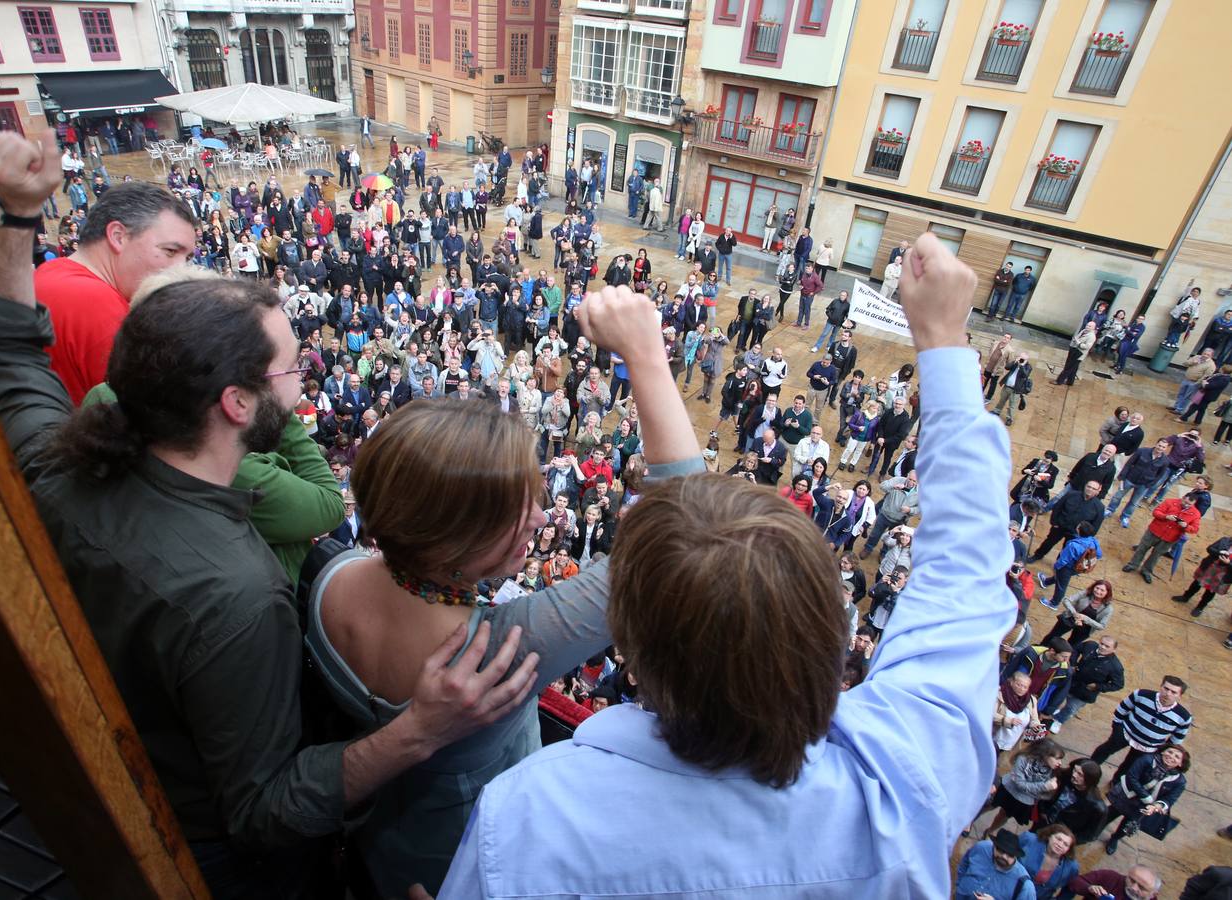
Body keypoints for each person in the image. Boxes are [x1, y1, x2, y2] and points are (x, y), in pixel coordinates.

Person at [0, 129, 540, 899]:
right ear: (236, 403)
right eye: (291, 366)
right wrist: (418, 731)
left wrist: (19, 213)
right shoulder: (235, 592)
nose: (305, 377)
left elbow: (2, 351)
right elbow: (264, 807)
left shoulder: (58, 459)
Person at [437, 234, 1020, 899]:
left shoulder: (528, 817)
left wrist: (647, 359)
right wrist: (944, 340)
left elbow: (964, 571)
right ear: (826, 635)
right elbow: (967, 572)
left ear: (624, 643)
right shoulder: (899, 790)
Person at [305, 285, 704, 896]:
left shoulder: (332, 575)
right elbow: (688, 531)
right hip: (472, 869)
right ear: (455, 544)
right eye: (518, 517)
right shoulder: (500, 650)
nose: (544, 523)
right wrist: (647, 356)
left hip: (387, 854)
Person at [31, 181, 198, 404]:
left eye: (187, 258)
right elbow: (151, 416)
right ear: (118, 236)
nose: (181, 268)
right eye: (170, 251)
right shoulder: (97, 304)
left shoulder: (49, 274)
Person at [1090, 678, 1192, 781]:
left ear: (1179, 696)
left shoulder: (1183, 716)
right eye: (1166, 689)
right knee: (1103, 751)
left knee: (1129, 767)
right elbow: (1122, 708)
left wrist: (1162, 750)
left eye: (1173, 692)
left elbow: (1177, 739)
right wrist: (1117, 729)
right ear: (1161, 687)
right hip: (1126, 733)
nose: (1168, 693)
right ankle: (1088, 772)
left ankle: (1114, 785)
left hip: (1149, 747)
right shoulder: (1141, 694)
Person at [1099, 743, 1189, 855]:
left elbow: (1170, 799)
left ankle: (1115, 838)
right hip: (1126, 795)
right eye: (1170, 752)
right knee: (1108, 815)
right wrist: (1147, 798)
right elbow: (1132, 776)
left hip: (1143, 808)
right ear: (1163, 752)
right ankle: (1095, 831)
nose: (1171, 756)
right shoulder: (1147, 759)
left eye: (1177, 756)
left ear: (1181, 763)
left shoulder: (1179, 781)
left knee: (1128, 827)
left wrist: (1156, 806)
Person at [1121, 492, 1201, 583]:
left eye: (1189, 504)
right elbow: (1156, 512)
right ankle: (1133, 565)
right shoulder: (1170, 502)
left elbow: (1195, 529)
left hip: (1170, 538)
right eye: (1185, 502)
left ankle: (1146, 571)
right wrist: (1166, 516)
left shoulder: (1195, 514)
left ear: (1194, 504)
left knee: (1156, 555)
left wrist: (1186, 526)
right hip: (1154, 531)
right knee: (1141, 548)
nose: (1186, 505)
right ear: (1182, 498)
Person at [1050, 637, 1124, 731]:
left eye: (1107, 646)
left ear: (1113, 649)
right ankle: (1053, 709)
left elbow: (1118, 684)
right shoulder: (1090, 646)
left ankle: (1059, 720)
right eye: (1101, 643)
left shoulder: (1115, 666)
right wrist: (1072, 664)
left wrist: (1097, 686)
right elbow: (1076, 649)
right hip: (1072, 680)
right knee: (1058, 696)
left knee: (1071, 707)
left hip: (1086, 691)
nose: (1103, 647)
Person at [954, 831, 1037, 900]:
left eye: (1010, 854)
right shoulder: (981, 848)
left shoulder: (1025, 886)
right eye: (1001, 850)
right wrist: (959, 885)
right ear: (994, 846)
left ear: (1016, 856)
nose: (1004, 856)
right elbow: (964, 863)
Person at [1172, 536, 1232, 616]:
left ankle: (1200, 607)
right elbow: (1210, 548)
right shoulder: (1225, 540)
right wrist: (1219, 553)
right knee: (1196, 583)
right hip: (1210, 566)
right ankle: (1186, 597)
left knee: (1210, 591)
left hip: (1223, 574)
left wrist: (1228, 563)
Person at [1018, 825, 1080, 899]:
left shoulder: (1072, 867)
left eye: (1065, 844)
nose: (1060, 845)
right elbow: (1007, 850)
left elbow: (1071, 888)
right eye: (1058, 839)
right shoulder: (1029, 839)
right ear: (1049, 836)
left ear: (1068, 849)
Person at [1064, 865, 1161, 900]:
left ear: (1153, 894)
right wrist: (1089, 888)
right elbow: (1074, 882)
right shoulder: (1110, 877)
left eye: (1142, 887)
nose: (1134, 888)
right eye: (1132, 880)